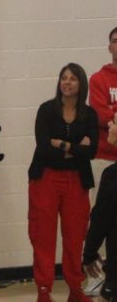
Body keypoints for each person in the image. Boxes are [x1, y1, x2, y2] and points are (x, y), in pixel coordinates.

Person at [29, 63, 98, 302]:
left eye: (72, 79)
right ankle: (44, 291)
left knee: (75, 237)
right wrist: (77, 148)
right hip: (45, 179)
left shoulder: (89, 114)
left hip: (77, 182)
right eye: (63, 78)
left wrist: (62, 144)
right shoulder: (46, 110)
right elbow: (43, 148)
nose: (67, 82)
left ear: (81, 84)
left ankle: (75, 289)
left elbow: (92, 151)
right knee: (43, 237)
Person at [85, 120, 117, 302]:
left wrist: (89, 254)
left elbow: (100, 220)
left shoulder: (112, 175)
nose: (110, 125)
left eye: (115, 123)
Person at [89, 27, 117, 164]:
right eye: (115, 41)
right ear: (110, 47)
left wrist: (113, 110)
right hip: (105, 157)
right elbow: (100, 115)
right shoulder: (98, 79)